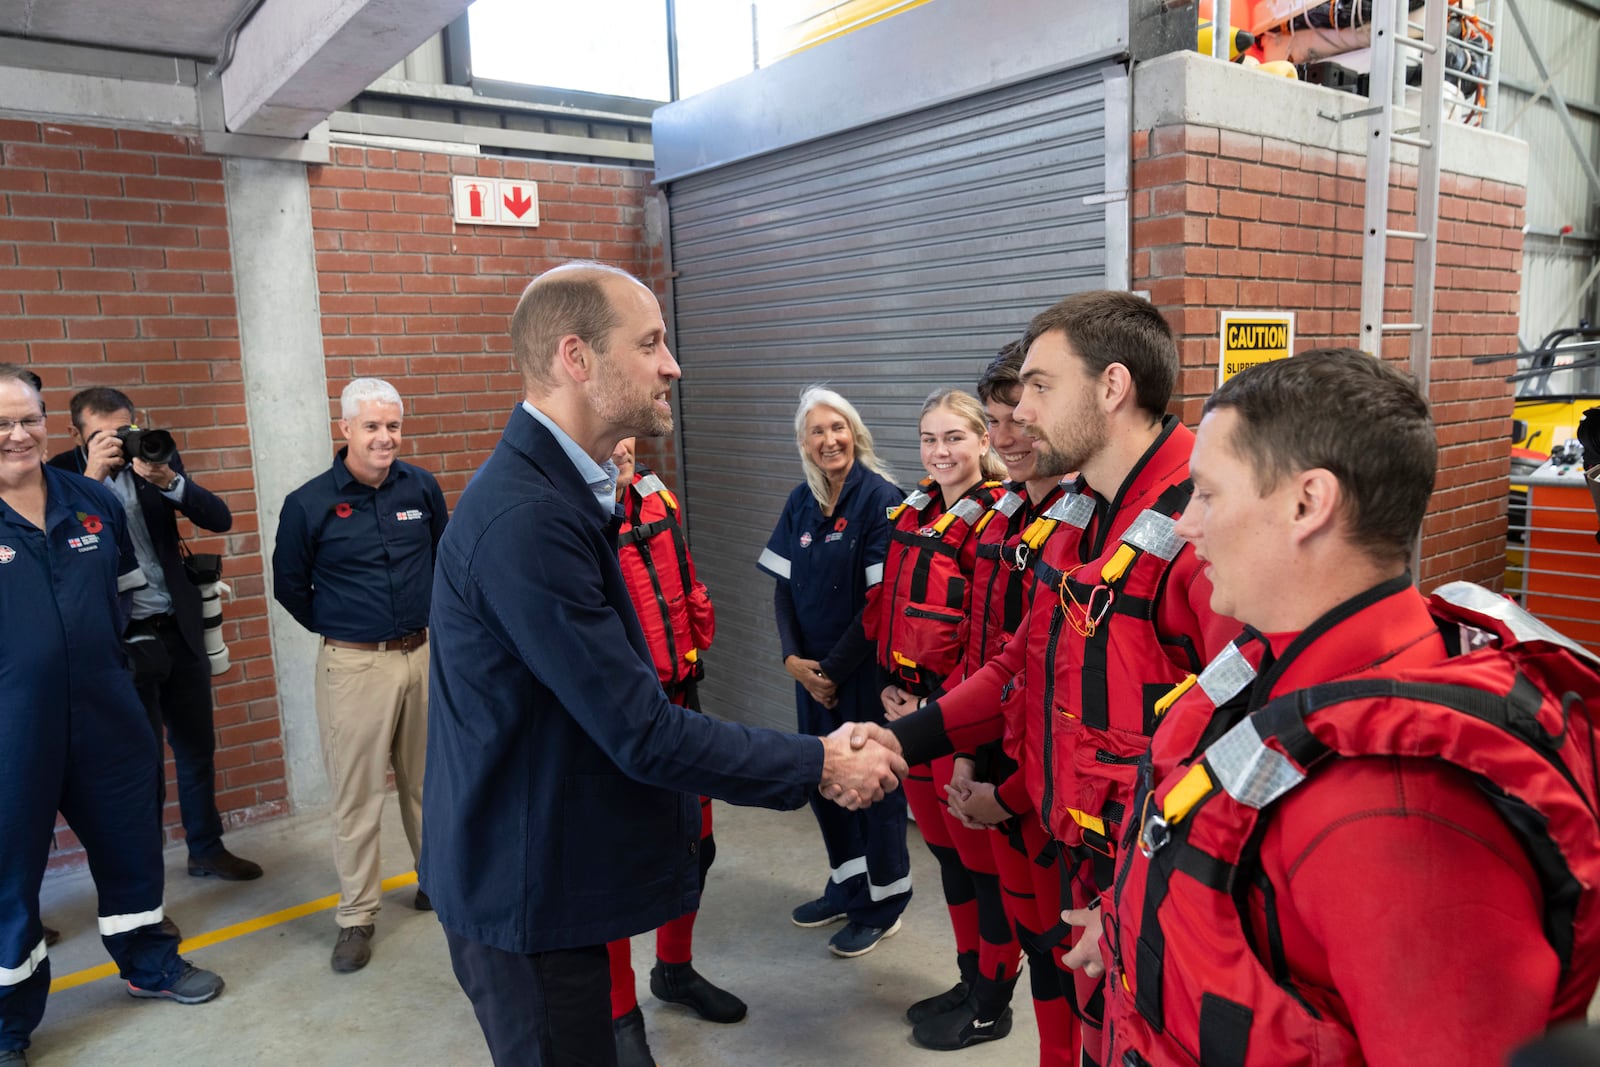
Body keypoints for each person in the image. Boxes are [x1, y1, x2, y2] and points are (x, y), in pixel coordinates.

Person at [419, 261, 907, 1067]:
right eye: (650, 343)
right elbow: (640, 731)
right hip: (527, 897)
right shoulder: (529, 519)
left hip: (545, 870)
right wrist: (818, 759)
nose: (672, 364)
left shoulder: (559, 495)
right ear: (576, 358)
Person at [1097, 348, 1600, 1066]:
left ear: (1308, 503)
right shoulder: (1273, 667)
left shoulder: (1401, 811)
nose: (1185, 525)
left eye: (1207, 495)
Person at [860, 291, 1238, 1064]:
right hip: (1088, 860)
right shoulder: (1076, 514)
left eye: (1039, 387)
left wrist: (1139, 902)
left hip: (1157, 889)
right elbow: (1017, 667)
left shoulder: (1206, 522)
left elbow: (1243, 745)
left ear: (1111, 387)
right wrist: (895, 739)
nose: (1019, 415)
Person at [0, 364, 224, 1067]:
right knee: (8, 873)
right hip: (12, 729)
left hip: (105, 709)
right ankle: (7, 1021)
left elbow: (126, 591)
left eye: (28, 417)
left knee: (131, 843)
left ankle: (148, 962)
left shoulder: (88, 499)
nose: (17, 433)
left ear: (47, 420)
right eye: (1, 422)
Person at [271, 378, 447, 974]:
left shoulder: (420, 486)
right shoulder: (309, 503)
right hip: (354, 666)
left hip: (423, 657)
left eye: (393, 425)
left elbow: (443, 558)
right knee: (357, 795)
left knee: (431, 783)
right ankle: (357, 916)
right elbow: (289, 586)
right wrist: (346, 626)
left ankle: (438, 884)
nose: (385, 437)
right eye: (371, 426)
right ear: (345, 429)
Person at [48, 388, 260, 884]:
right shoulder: (59, 475)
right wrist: (92, 478)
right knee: (139, 768)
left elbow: (219, 517)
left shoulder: (153, 455)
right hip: (121, 641)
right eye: (101, 434)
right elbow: (57, 550)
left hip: (177, 629)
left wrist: (170, 481)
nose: (117, 441)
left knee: (196, 750)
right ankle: (144, 880)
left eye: (123, 429)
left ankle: (206, 848)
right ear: (76, 433)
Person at [941, 343, 1080, 1064]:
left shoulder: (1084, 528)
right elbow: (982, 653)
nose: (1006, 438)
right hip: (992, 766)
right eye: (995, 421)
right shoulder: (997, 518)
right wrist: (964, 753)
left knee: (1066, 954)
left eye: (1019, 419)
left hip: (1045, 790)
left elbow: (1067, 690)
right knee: (1031, 933)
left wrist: (1016, 792)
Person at [867, 388, 1020, 1042]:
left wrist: (934, 709)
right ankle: (967, 976)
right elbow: (888, 612)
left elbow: (992, 638)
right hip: (913, 715)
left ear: (983, 441)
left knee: (987, 871)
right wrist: (891, 692)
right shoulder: (915, 512)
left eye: (955, 437)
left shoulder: (999, 521)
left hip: (959, 723)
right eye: (930, 439)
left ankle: (993, 1001)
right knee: (947, 857)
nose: (941, 451)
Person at [605, 437, 745, 1067]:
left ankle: (674, 970)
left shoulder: (657, 499)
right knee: (611, 872)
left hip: (679, 701)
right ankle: (617, 1018)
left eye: (628, 433)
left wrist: (698, 622)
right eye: (609, 434)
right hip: (612, 723)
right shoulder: (568, 517)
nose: (622, 447)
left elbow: (683, 580)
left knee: (697, 845)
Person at [758, 387, 911, 959]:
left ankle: (886, 902)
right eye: (817, 431)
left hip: (862, 672)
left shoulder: (881, 499)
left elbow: (881, 604)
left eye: (838, 428)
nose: (830, 440)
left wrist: (833, 672)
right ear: (804, 442)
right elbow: (782, 589)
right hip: (813, 675)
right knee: (826, 782)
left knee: (873, 785)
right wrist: (792, 660)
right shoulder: (801, 501)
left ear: (856, 433)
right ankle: (849, 886)